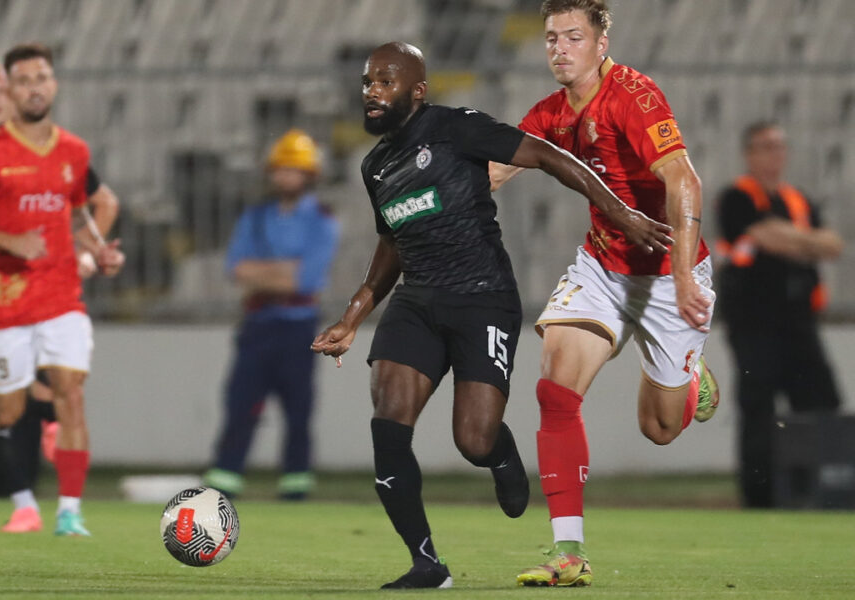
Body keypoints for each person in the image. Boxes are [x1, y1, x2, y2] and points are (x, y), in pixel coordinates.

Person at [311, 41, 673, 590]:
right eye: (367, 83)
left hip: (483, 298)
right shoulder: (375, 166)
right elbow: (392, 244)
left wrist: (619, 211)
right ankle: (426, 564)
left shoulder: (456, 128)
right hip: (418, 302)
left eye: (385, 82)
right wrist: (353, 316)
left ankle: (500, 455)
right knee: (388, 426)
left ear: (417, 90)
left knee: (473, 440)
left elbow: (551, 156)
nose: (372, 93)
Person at [489, 0, 720, 586]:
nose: (559, 49)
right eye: (550, 38)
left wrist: (688, 278)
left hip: (671, 278)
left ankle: (688, 380)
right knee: (554, 387)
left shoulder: (635, 97)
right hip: (603, 269)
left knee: (661, 429)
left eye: (572, 36)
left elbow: (684, 180)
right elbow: (495, 168)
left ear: (600, 42)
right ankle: (569, 552)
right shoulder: (549, 113)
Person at [0, 43, 124, 536]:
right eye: (23, 80)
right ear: (10, 90)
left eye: (42, 77)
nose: (34, 87)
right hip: (2, 300)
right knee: (10, 408)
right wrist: (9, 240)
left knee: (70, 394)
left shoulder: (73, 152)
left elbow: (91, 211)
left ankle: (69, 510)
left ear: (54, 84)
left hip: (60, 296)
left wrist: (96, 253)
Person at [203, 130, 339, 501]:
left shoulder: (323, 221)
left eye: (294, 170)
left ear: (310, 175)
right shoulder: (256, 215)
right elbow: (236, 269)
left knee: (298, 409)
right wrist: (283, 272)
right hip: (258, 325)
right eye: (281, 170)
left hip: (299, 328)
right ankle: (226, 481)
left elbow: (306, 279)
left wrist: (262, 273)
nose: (286, 177)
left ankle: (296, 484)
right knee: (240, 404)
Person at [716, 121, 844, 508]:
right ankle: (760, 497)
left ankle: (822, 489)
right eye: (766, 147)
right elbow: (767, 234)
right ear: (749, 153)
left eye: (779, 146)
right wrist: (804, 243)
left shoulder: (797, 200)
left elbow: (833, 244)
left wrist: (789, 239)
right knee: (758, 407)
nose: (775, 154)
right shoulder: (737, 197)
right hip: (754, 324)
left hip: (799, 322)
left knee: (822, 402)